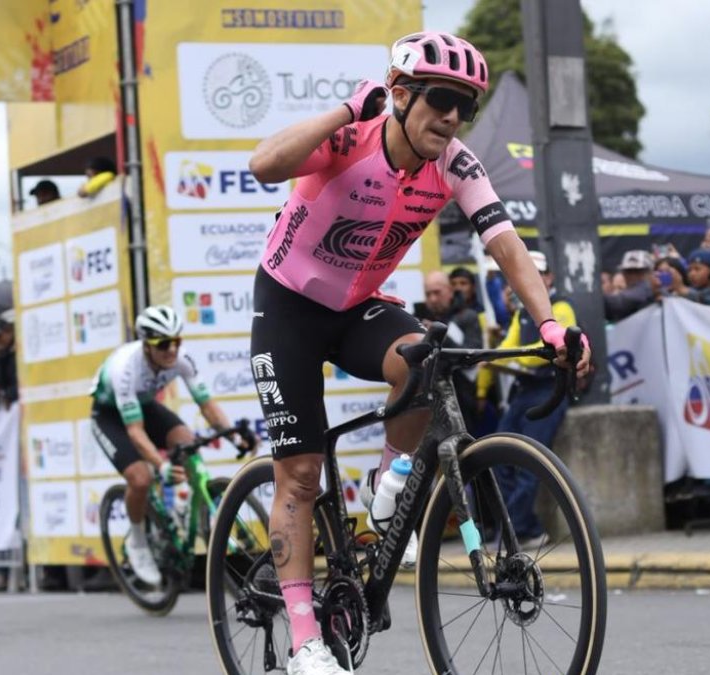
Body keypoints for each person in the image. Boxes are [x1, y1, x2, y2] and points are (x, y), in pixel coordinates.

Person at [246, 32, 590, 674]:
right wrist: (350, 110)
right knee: (299, 473)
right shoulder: (351, 139)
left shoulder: (455, 164)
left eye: (467, 105)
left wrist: (548, 326)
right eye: (441, 99)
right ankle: (305, 640)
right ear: (400, 96)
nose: (454, 116)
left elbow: (507, 246)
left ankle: (391, 477)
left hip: (354, 306)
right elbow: (264, 164)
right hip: (289, 304)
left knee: (422, 354)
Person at [88, 306, 253, 586]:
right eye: (163, 344)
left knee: (187, 442)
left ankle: (195, 511)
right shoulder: (126, 369)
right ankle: (138, 542)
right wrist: (161, 466)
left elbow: (207, 405)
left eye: (176, 341)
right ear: (146, 345)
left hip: (144, 405)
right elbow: (136, 432)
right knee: (141, 478)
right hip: (109, 417)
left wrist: (233, 436)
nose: (172, 349)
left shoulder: (181, 359)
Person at [475, 251, 574, 549]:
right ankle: (517, 528)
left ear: (549, 277)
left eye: (538, 272)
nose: (532, 278)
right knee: (498, 459)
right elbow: (506, 348)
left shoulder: (562, 307)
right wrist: (485, 381)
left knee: (527, 462)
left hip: (549, 390)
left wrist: (506, 359)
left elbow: (547, 347)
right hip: (523, 392)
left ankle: (518, 532)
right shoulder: (521, 313)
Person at [417, 270, 486, 436]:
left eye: (437, 292)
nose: (433, 299)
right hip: (427, 399)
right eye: (428, 294)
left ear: (449, 291)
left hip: (460, 398)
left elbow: (471, 356)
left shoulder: (467, 316)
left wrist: (440, 335)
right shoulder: (418, 319)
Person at [604, 250, 655, 321]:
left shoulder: (648, 289)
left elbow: (625, 300)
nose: (632, 275)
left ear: (649, 272)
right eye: (628, 271)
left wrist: (594, 298)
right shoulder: (627, 293)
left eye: (637, 271)